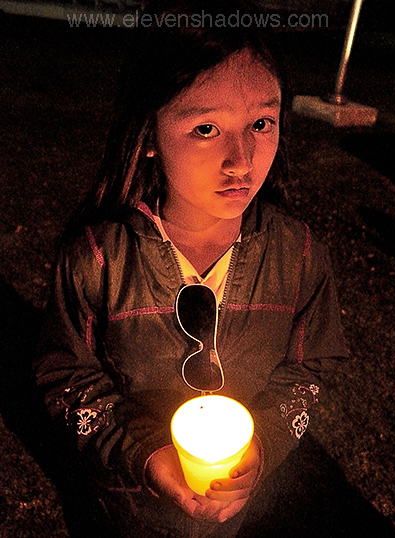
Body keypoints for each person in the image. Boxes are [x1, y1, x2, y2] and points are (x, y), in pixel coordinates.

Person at [33, 0, 349, 536]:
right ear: (149, 135)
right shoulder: (99, 260)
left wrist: (264, 441)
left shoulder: (297, 256)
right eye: (206, 128)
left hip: (234, 513)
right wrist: (143, 451)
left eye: (261, 123)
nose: (241, 160)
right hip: (126, 508)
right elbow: (66, 374)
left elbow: (308, 370)